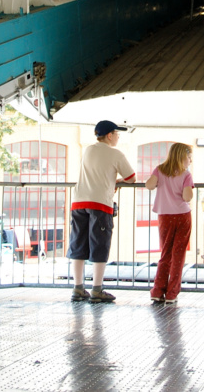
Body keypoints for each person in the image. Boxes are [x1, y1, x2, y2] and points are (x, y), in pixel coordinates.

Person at [68, 120, 135, 303]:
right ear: (109, 135)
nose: (118, 137)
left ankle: (78, 288)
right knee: (100, 244)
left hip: (78, 201)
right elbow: (131, 177)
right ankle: (97, 289)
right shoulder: (116, 154)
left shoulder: (88, 150)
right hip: (100, 203)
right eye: (117, 134)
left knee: (78, 244)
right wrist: (117, 181)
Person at [146, 143, 195, 304]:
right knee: (178, 255)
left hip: (165, 216)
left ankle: (157, 290)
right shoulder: (186, 175)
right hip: (182, 215)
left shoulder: (159, 169)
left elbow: (149, 185)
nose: (190, 161)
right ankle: (172, 293)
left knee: (165, 253)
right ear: (183, 157)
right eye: (189, 157)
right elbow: (187, 197)